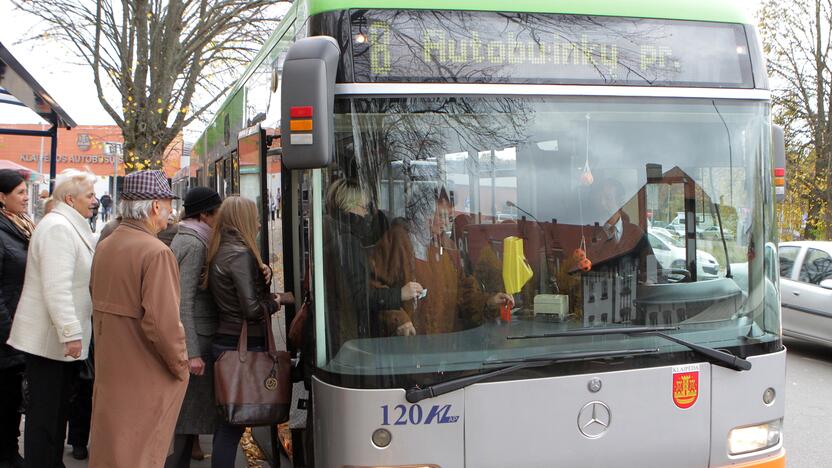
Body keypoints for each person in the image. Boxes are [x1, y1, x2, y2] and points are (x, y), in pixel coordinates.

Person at [88, 170, 189, 467]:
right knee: (141, 454)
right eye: (169, 203)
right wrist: (180, 365)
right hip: (145, 373)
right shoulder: (156, 252)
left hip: (111, 370)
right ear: (156, 205)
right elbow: (163, 324)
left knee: (113, 453)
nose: (171, 211)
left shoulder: (107, 244)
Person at [6, 169, 97, 468]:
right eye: (90, 195)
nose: (95, 201)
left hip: (53, 341)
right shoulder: (59, 227)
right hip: (52, 343)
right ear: (70, 198)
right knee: (47, 418)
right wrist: (70, 333)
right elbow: (57, 288)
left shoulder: (63, 223)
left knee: (53, 416)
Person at [371, 187, 513, 336]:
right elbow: (375, 290)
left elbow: (464, 293)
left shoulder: (447, 246)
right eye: (441, 216)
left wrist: (489, 302)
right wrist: (398, 319)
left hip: (444, 346)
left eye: (449, 217)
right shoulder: (398, 240)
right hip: (408, 345)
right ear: (423, 214)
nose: (446, 223)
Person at [206, 195, 281, 468]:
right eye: (256, 218)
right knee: (232, 426)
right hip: (243, 343)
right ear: (244, 220)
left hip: (225, 340)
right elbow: (251, 309)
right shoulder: (241, 253)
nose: (260, 223)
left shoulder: (221, 248)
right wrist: (277, 301)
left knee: (227, 421)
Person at [324, 178, 421, 345]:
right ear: (350, 207)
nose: (366, 214)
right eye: (363, 207)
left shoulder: (335, 233)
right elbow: (360, 296)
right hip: (347, 335)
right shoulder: (347, 242)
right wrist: (399, 294)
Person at [165, 187, 222, 468]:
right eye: (217, 212)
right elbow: (183, 301)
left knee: (187, 420)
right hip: (196, 336)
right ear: (204, 215)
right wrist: (193, 352)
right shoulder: (195, 244)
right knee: (187, 421)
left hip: (194, 335)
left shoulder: (188, 237)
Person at [0, 170, 33, 468]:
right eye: (20, 192)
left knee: (11, 401)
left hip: (16, 329)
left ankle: (10, 452)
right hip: (6, 336)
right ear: (2, 197)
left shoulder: (18, 227)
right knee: (6, 400)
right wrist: (10, 331)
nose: (25, 197)